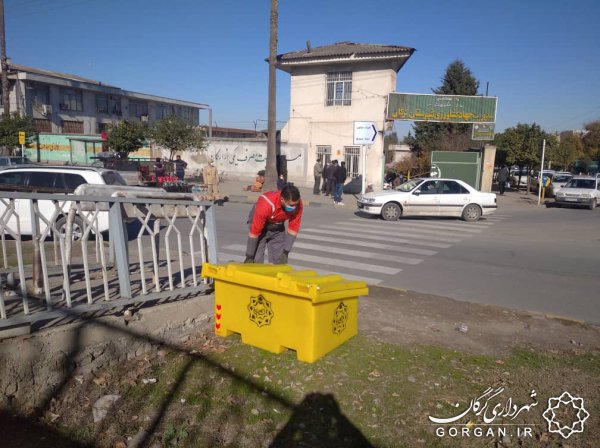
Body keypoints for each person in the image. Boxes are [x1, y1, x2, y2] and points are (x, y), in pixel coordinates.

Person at [245, 184, 303, 264]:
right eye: (291, 205)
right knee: (256, 260)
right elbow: (255, 232)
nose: (294, 207)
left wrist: (286, 252)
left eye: (296, 205)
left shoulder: (298, 205)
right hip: (260, 226)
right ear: (282, 199)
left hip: (277, 226)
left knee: (279, 260)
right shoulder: (266, 205)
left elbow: (293, 228)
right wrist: (250, 255)